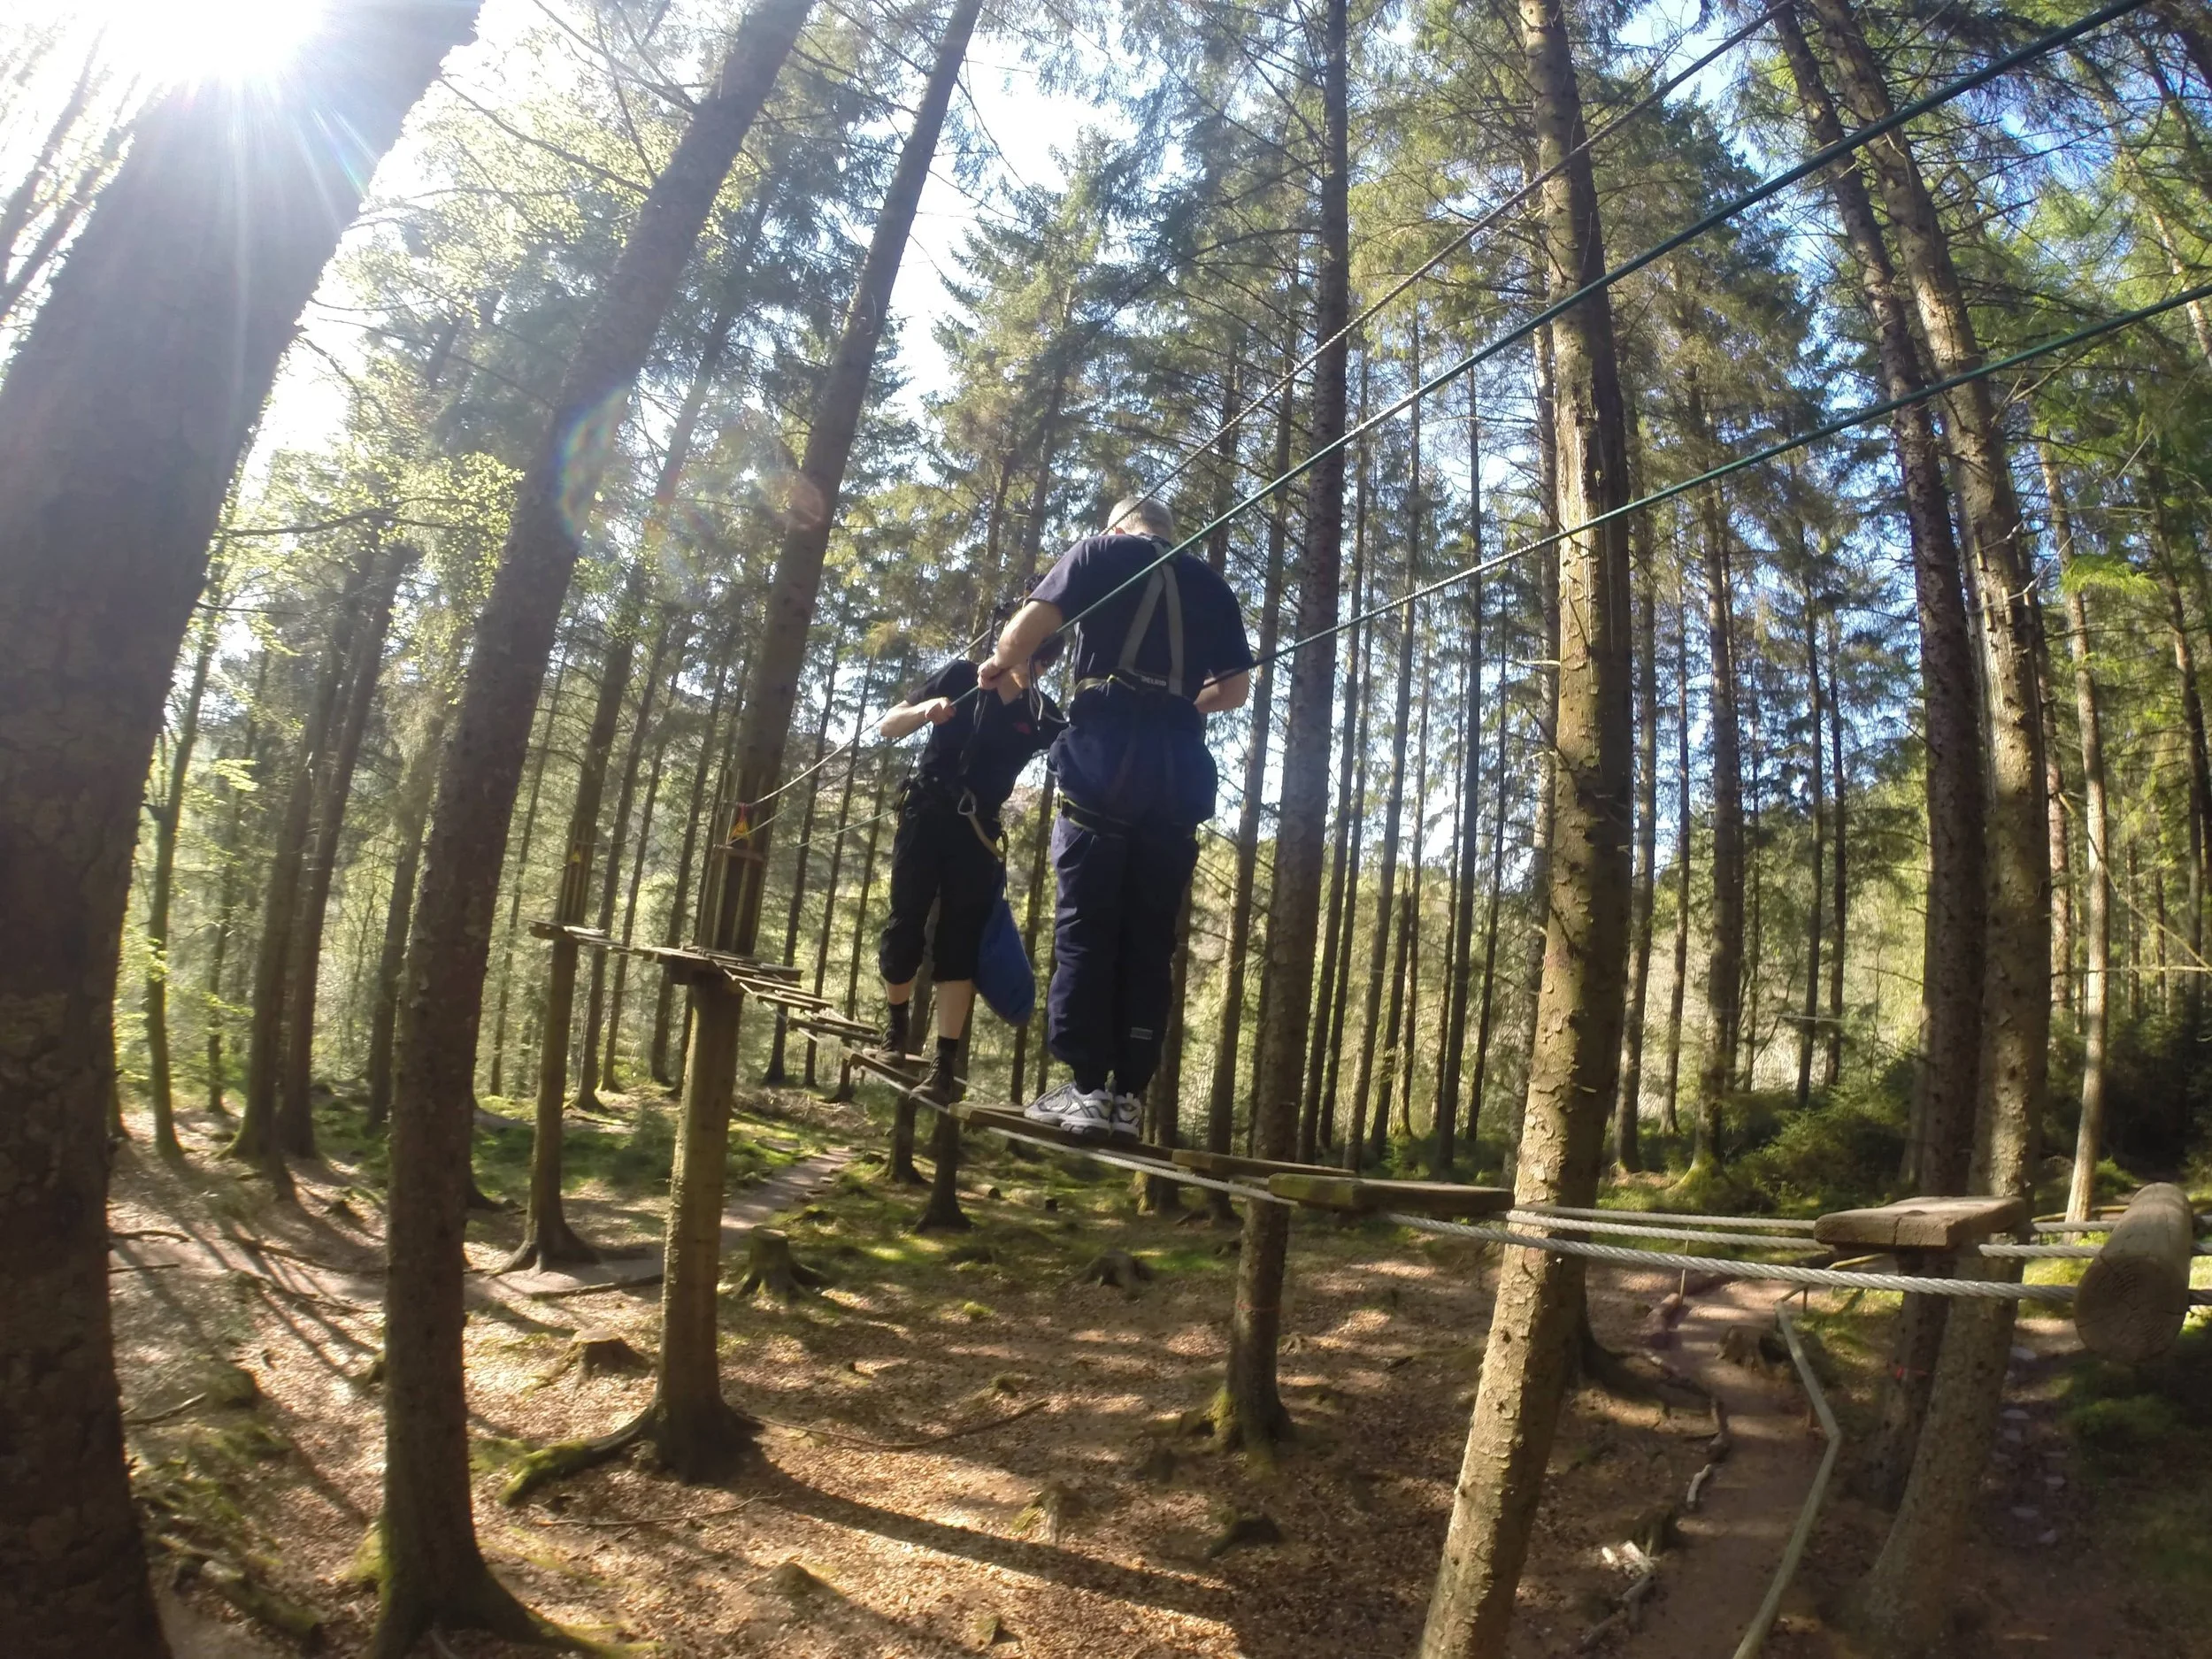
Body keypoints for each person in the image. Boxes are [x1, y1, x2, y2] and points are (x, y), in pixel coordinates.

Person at [979, 495, 1251, 1141]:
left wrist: (1002, 660)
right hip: (1178, 768)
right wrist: (1180, 704)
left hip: (1106, 756)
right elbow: (1236, 688)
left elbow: (1028, 629)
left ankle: (1084, 1085)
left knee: (1089, 920)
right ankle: (1128, 1092)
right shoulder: (1210, 582)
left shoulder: (1101, 552)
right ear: (1169, 528)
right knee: (1150, 933)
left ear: (1119, 526)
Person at [877, 625, 1064, 1105]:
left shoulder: (1040, 714)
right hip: (925, 811)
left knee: (959, 943)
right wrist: (925, 711)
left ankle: (943, 1064)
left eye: (1039, 663)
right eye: (1024, 655)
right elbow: (888, 723)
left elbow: (1082, 750)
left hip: (977, 832)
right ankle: (895, 1032)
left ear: (1046, 668)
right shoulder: (960, 675)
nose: (1028, 667)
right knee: (905, 924)